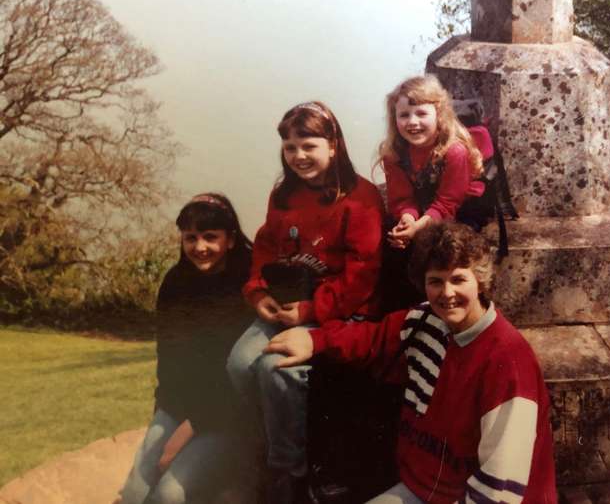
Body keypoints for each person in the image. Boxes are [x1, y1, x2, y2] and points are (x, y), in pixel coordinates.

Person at [266, 222, 557, 504]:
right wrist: (316, 341)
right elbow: (373, 338)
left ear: (479, 280)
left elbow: (501, 489)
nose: (447, 293)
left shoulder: (508, 360)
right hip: (422, 488)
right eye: (435, 281)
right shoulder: (426, 320)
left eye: (458, 279)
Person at [226, 101, 384, 503]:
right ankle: (270, 441)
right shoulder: (284, 195)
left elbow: (361, 274)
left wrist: (311, 312)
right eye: (290, 147)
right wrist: (258, 292)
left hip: (337, 310)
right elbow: (265, 246)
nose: (298, 156)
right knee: (239, 364)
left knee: (275, 367)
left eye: (308, 145)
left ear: (333, 145)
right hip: (286, 303)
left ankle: (290, 471)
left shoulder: (360, 198)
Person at [117, 193, 255, 504]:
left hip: (230, 418)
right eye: (190, 237)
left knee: (168, 495)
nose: (199, 247)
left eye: (210, 237)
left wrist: (187, 432)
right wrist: (165, 425)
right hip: (180, 407)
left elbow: (237, 378)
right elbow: (170, 364)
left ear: (230, 239)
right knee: (134, 495)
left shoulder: (248, 286)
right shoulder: (175, 284)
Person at [377, 74, 496, 312]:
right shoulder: (394, 153)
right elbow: (402, 198)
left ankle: (439, 306)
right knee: (389, 244)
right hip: (424, 205)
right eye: (404, 115)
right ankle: (397, 310)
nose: (412, 122)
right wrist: (407, 220)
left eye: (422, 114)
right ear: (394, 119)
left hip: (460, 209)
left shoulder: (455, 152)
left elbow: (447, 204)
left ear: (439, 115)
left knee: (441, 250)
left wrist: (418, 228)